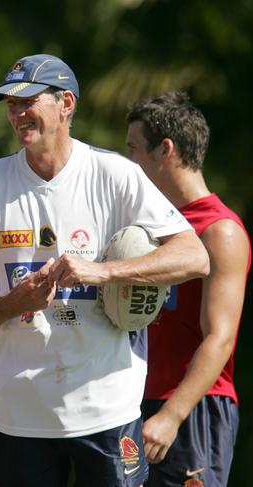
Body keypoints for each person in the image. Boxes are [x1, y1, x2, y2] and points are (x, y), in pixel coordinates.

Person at [0, 54, 210, 487]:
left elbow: (194, 257)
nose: (16, 112)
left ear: (66, 103)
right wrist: (15, 302)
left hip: (106, 405)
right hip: (17, 412)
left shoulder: (115, 174)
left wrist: (104, 272)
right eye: (10, 104)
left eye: (28, 100)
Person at [126, 91, 251, 487]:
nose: (128, 164)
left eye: (133, 150)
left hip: (191, 410)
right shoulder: (152, 227)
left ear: (165, 150)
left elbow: (220, 337)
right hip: (136, 407)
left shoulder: (221, 230)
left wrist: (173, 415)